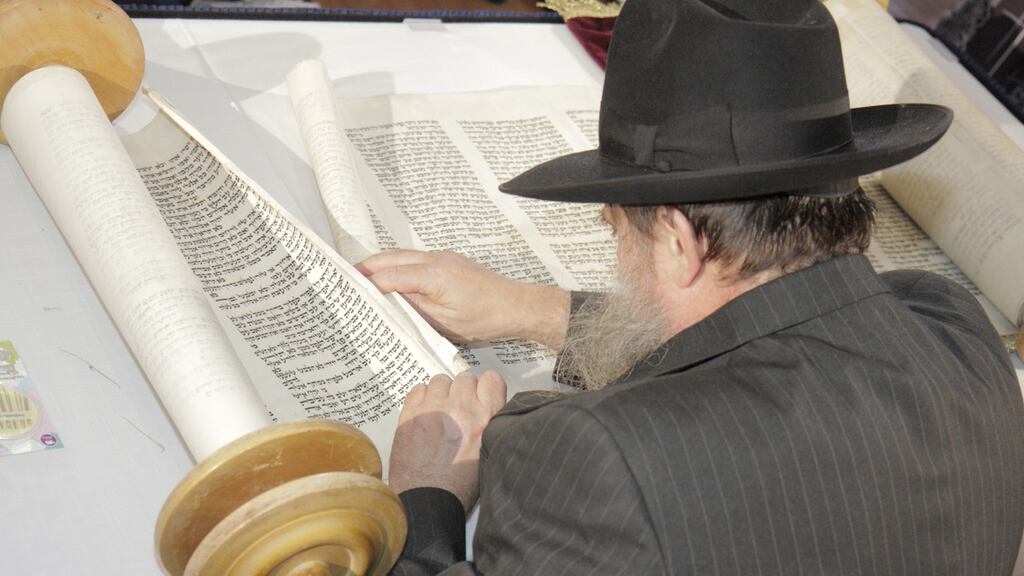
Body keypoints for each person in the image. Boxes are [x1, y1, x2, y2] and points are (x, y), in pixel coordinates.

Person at [360, 0, 1024, 573]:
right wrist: (536, 310)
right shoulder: (949, 324)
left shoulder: (594, 463)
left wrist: (426, 496)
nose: (619, 253)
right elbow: (764, 327)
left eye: (617, 228)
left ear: (680, 241)